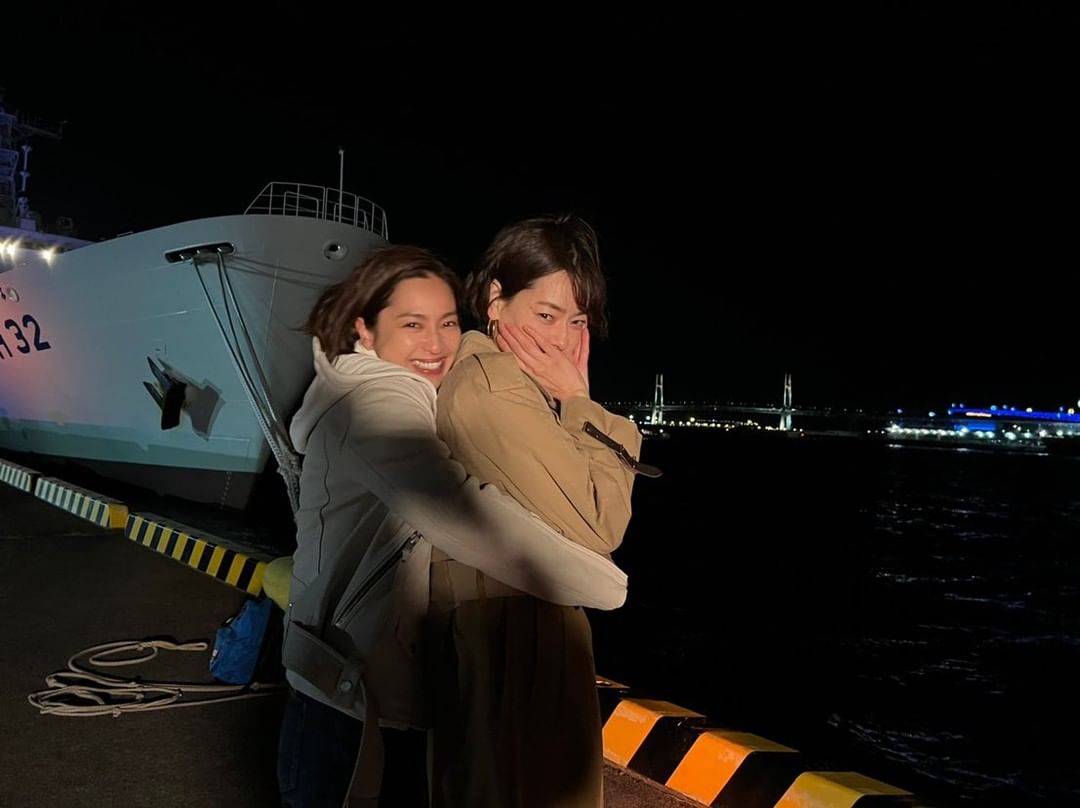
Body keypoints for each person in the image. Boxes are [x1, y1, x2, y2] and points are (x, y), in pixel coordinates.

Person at [276, 244, 629, 808]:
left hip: (377, 694)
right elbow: (466, 516)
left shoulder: (414, 393)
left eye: (446, 323)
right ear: (365, 328)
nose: (437, 344)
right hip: (348, 710)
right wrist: (607, 587)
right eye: (412, 324)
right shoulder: (375, 405)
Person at [430, 214, 649, 808]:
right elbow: (601, 524)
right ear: (495, 301)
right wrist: (582, 402)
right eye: (546, 315)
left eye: (576, 321)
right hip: (513, 636)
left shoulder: (502, 382)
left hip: (499, 627)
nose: (562, 340)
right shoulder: (495, 388)